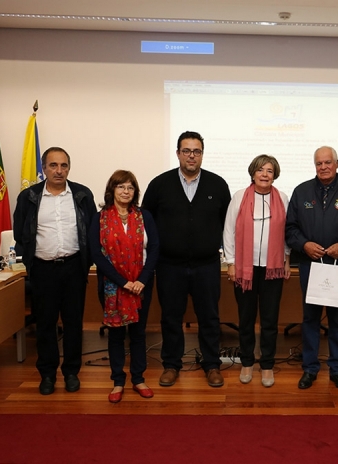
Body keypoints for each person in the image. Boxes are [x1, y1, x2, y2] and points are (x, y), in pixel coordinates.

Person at [142, 131, 231, 388]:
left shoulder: (217, 184)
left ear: (202, 154)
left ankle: (212, 365)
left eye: (197, 151)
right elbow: (146, 222)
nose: (192, 156)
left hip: (207, 265)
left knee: (209, 317)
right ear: (178, 153)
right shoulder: (159, 184)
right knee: (171, 317)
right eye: (187, 151)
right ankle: (171, 365)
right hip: (169, 265)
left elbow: (227, 224)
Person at [13, 147, 96, 395]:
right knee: (46, 324)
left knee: (73, 323)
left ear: (69, 168)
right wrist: (31, 263)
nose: (59, 170)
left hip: (74, 268)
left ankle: (71, 372)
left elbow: (92, 231)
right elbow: (21, 233)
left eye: (64, 165)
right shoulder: (28, 196)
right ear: (44, 168)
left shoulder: (82, 194)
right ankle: (47, 375)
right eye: (53, 165)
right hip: (43, 269)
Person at [286, 146, 338, 391]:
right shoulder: (301, 191)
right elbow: (290, 229)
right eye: (319, 163)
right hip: (310, 265)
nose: (323, 167)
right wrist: (304, 244)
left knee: (337, 319)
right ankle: (310, 368)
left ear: (336, 164)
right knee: (310, 318)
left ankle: (337, 369)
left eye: (327, 162)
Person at [89, 170, 159, 403]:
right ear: (112, 189)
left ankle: (138, 379)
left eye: (130, 187)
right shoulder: (99, 218)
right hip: (112, 286)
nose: (125, 191)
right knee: (116, 334)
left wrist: (141, 280)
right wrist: (123, 282)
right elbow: (96, 254)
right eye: (121, 187)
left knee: (138, 334)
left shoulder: (144, 216)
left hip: (141, 285)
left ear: (135, 192)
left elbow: (155, 248)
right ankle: (118, 381)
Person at [222, 155, 291, 387]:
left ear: (275, 175)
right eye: (260, 170)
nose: (264, 174)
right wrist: (231, 263)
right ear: (253, 173)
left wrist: (287, 259)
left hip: (273, 269)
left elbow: (287, 232)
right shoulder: (239, 196)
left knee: (270, 320)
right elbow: (229, 230)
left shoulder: (282, 198)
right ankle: (247, 362)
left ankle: (267, 365)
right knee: (246, 319)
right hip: (245, 269)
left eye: (269, 171)